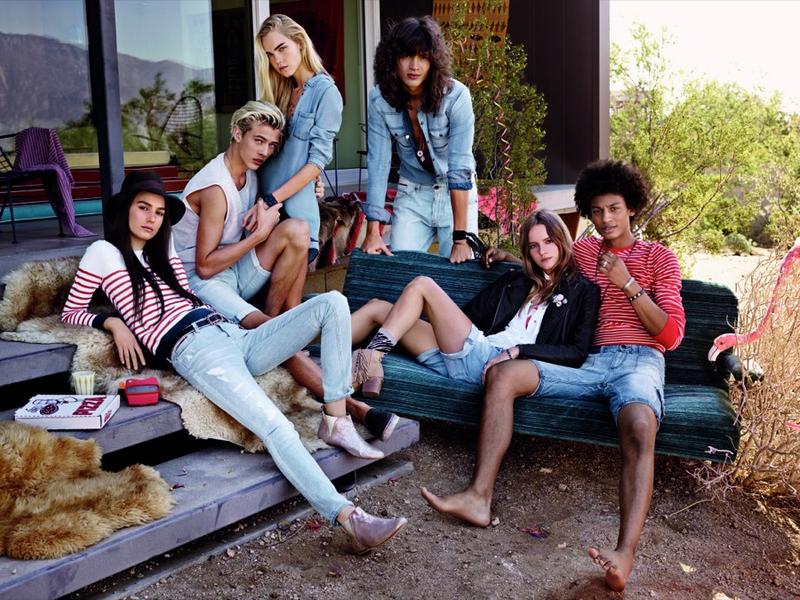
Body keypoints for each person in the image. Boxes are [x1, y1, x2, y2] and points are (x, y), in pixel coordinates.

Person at [61, 171, 407, 553]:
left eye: (159, 212)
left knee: (333, 304)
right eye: (143, 208)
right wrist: (113, 322)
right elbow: (71, 311)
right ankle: (349, 518)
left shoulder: (163, 248)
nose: (152, 219)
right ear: (125, 208)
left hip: (229, 331)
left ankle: (335, 418)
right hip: (197, 350)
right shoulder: (104, 253)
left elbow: (187, 295)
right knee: (278, 427)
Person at [430, 161, 685, 592]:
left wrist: (628, 284)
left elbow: (672, 335)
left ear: (632, 207)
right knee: (504, 374)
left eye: (614, 208)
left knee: (640, 424)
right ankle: (478, 497)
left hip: (639, 361)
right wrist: (512, 258)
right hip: (586, 363)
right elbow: (551, 262)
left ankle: (624, 554)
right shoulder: (585, 252)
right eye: (597, 210)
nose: (605, 219)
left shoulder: (659, 257)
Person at [350, 209, 599, 463]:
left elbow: (576, 352)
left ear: (562, 240)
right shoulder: (519, 279)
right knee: (378, 307)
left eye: (548, 241)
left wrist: (519, 351)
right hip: (469, 353)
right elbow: (469, 316)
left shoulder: (584, 291)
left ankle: (371, 357)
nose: (542, 251)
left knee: (423, 284)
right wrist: (511, 264)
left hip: (494, 363)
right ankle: (334, 365)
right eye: (534, 246)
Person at [361, 16, 479, 264]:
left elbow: (460, 168)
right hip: (412, 193)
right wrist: (373, 231)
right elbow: (378, 163)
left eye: (423, 57)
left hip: (455, 196)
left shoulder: (456, 97)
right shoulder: (379, 100)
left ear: (433, 61)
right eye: (406, 56)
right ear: (392, 59)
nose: (414, 65)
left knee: (458, 275)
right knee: (401, 269)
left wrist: (460, 239)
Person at [255, 14, 343, 264]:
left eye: (282, 48)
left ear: (300, 43)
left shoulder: (326, 92)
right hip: (264, 212)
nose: (277, 60)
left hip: (294, 215)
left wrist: (272, 199)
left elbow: (317, 160)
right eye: (270, 55)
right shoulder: (279, 92)